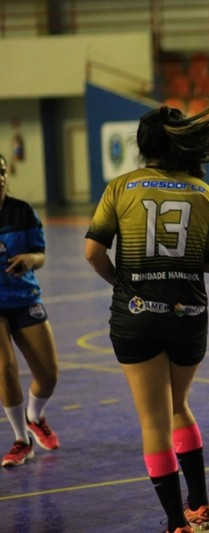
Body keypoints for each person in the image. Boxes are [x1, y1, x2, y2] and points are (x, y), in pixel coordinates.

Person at [85, 97, 209, 532]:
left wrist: (124, 284)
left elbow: (93, 253)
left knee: (153, 420)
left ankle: (177, 523)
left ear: (142, 146)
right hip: (189, 314)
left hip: (136, 314)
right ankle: (202, 505)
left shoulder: (121, 187)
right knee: (180, 407)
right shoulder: (204, 193)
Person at [0, 154, 61, 468]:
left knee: (48, 375)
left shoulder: (22, 212)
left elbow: (40, 255)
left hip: (25, 299)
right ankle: (21, 440)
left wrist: (29, 259)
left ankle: (34, 416)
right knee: (5, 367)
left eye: (1, 171)